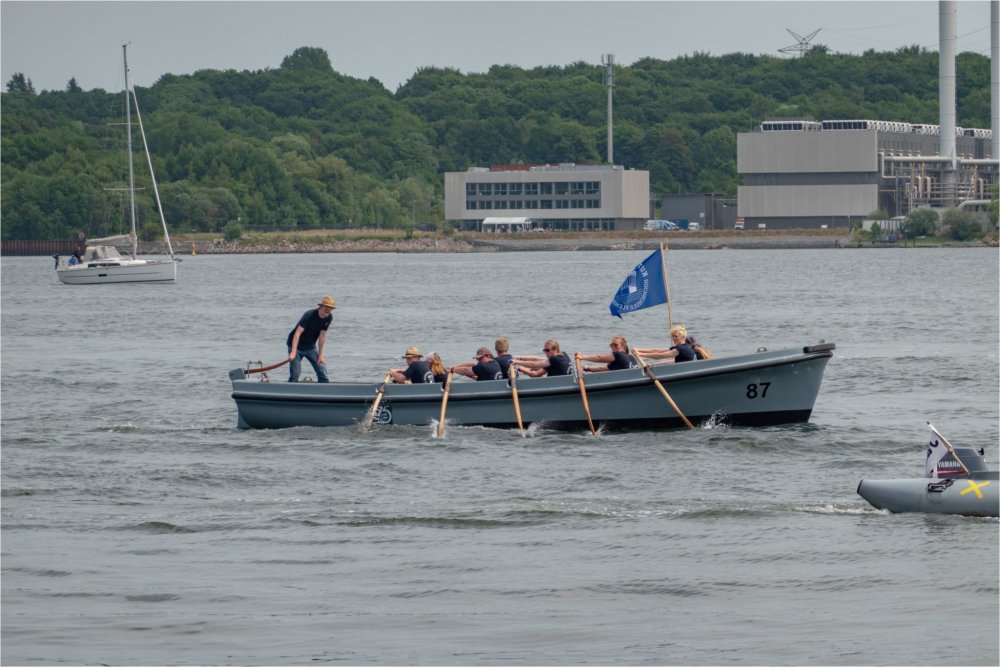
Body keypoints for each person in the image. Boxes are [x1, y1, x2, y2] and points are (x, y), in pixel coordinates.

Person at [286, 295, 336, 382]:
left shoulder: (329, 317)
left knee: (322, 369)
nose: (328, 310)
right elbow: (297, 333)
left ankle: (323, 390)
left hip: (310, 347)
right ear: (320, 307)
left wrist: (320, 355)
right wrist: (293, 352)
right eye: (326, 308)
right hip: (295, 346)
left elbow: (322, 336)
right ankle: (290, 389)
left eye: (330, 309)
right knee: (295, 374)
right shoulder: (309, 315)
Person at [576, 335, 640, 372]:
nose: (613, 347)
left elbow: (600, 358)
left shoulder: (619, 354)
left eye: (616, 345)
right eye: (611, 345)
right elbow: (605, 369)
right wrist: (589, 368)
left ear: (623, 346)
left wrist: (583, 357)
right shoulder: (631, 357)